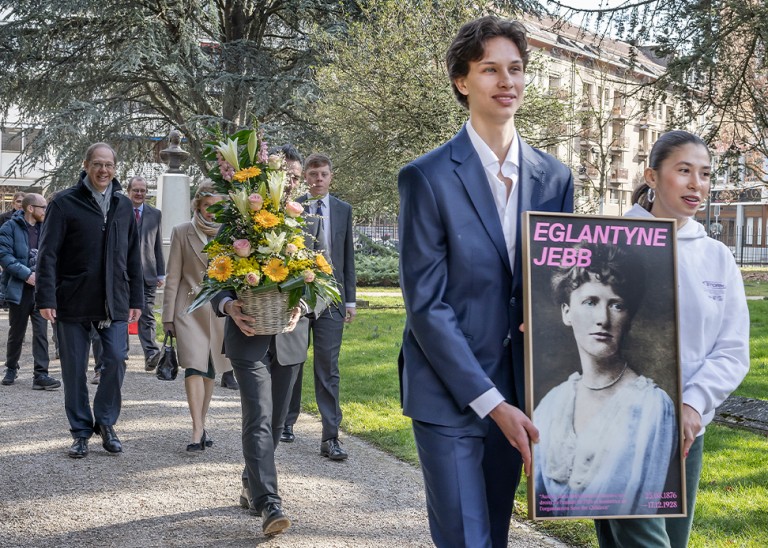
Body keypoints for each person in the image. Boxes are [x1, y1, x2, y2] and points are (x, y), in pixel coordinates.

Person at [397, 16, 573, 547]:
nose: (507, 82)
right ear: (462, 80)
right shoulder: (425, 177)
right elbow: (426, 305)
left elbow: (558, 287)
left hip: (524, 393)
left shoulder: (556, 178)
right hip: (449, 393)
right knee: (464, 539)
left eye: (516, 69)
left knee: (494, 535)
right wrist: (490, 401)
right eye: (490, 69)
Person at [594, 131, 750, 546]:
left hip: (686, 431)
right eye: (683, 171)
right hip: (617, 429)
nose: (696, 183)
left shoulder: (716, 257)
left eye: (704, 174)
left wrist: (693, 404)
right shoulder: (606, 242)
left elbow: (732, 350)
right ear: (652, 176)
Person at [534, 244, 677, 517]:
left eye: (617, 305)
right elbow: (541, 500)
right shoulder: (552, 405)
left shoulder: (650, 407)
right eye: (590, 302)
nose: (603, 319)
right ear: (566, 312)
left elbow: (641, 516)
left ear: (629, 316)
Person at [36, 142, 143, 459]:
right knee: (73, 368)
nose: (103, 170)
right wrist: (46, 297)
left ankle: (106, 423)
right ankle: (81, 431)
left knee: (116, 358)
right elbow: (47, 255)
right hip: (72, 299)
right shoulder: (64, 203)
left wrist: (136, 296)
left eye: (109, 165)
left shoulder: (123, 206)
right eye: (97, 164)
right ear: (86, 165)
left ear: (114, 168)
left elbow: (133, 255)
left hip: (115, 300)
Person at [281, 153, 356, 460]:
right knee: (293, 361)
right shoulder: (292, 209)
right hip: (298, 296)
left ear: (330, 176)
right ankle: (286, 422)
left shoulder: (343, 209)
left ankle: (330, 437)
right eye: (313, 175)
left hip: (331, 299)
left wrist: (349, 300)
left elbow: (347, 257)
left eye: (324, 174)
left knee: (328, 367)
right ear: (306, 178)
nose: (318, 179)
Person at [162, 182, 234, 450]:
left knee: (210, 370)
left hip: (218, 310)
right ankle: (196, 429)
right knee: (194, 366)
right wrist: (168, 316)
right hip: (188, 309)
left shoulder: (230, 235)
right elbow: (173, 276)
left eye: (217, 207)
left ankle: (201, 424)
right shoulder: (182, 231)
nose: (212, 212)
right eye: (207, 207)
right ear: (197, 206)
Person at [0, 193, 61, 390]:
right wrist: (27, 275)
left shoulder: (47, 228)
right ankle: (11, 367)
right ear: (30, 208)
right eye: (43, 207)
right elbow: (4, 255)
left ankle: (41, 374)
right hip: (19, 288)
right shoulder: (9, 227)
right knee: (16, 332)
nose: (46, 211)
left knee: (41, 332)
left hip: (41, 290)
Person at [126, 176, 165, 371]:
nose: (140, 193)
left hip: (147, 273)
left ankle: (151, 353)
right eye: (136, 190)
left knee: (147, 314)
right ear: (129, 191)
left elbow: (157, 244)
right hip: (123, 273)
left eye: (143, 190)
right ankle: (120, 353)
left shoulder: (155, 214)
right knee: (122, 313)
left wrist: (160, 273)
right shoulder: (120, 210)